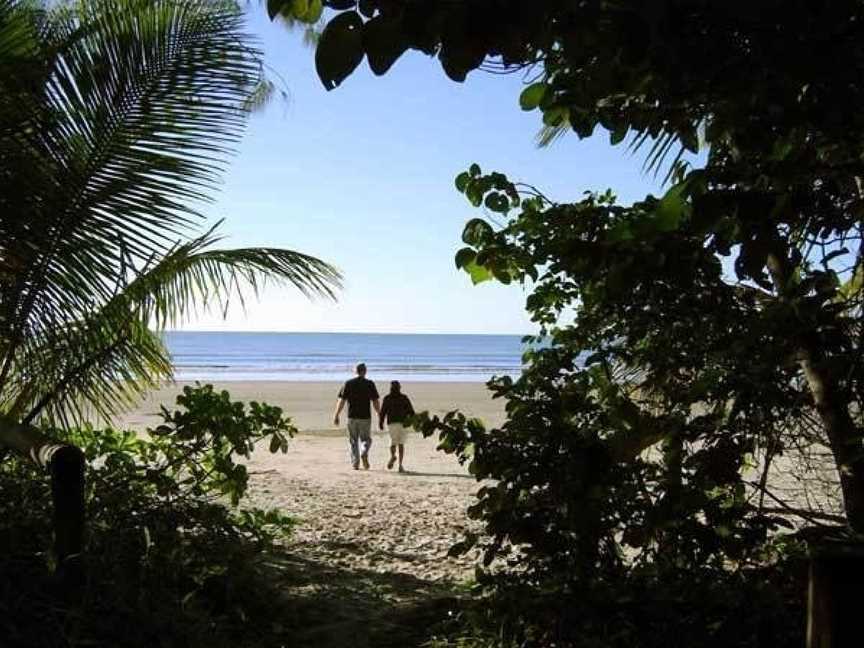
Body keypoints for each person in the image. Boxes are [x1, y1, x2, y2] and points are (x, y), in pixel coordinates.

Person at [333, 363, 380, 470]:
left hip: (352, 416)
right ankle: (364, 450)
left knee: (353, 440)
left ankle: (355, 463)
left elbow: (342, 401)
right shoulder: (370, 384)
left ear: (356, 371)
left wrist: (336, 415)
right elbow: (375, 401)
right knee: (366, 439)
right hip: (365, 417)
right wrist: (379, 414)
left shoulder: (348, 383)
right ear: (365, 371)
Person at [379, 380, 415, 473]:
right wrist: (413, 420)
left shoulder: (387, 398)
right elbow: (411, 411)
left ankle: (392, 456)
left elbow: (383, 412)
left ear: (390, 388)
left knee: (393, 442)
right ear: (399, 388)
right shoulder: (404, 398)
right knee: (401, 444)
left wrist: (381, 422)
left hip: (391, 423)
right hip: (403, 423)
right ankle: (400, 465)